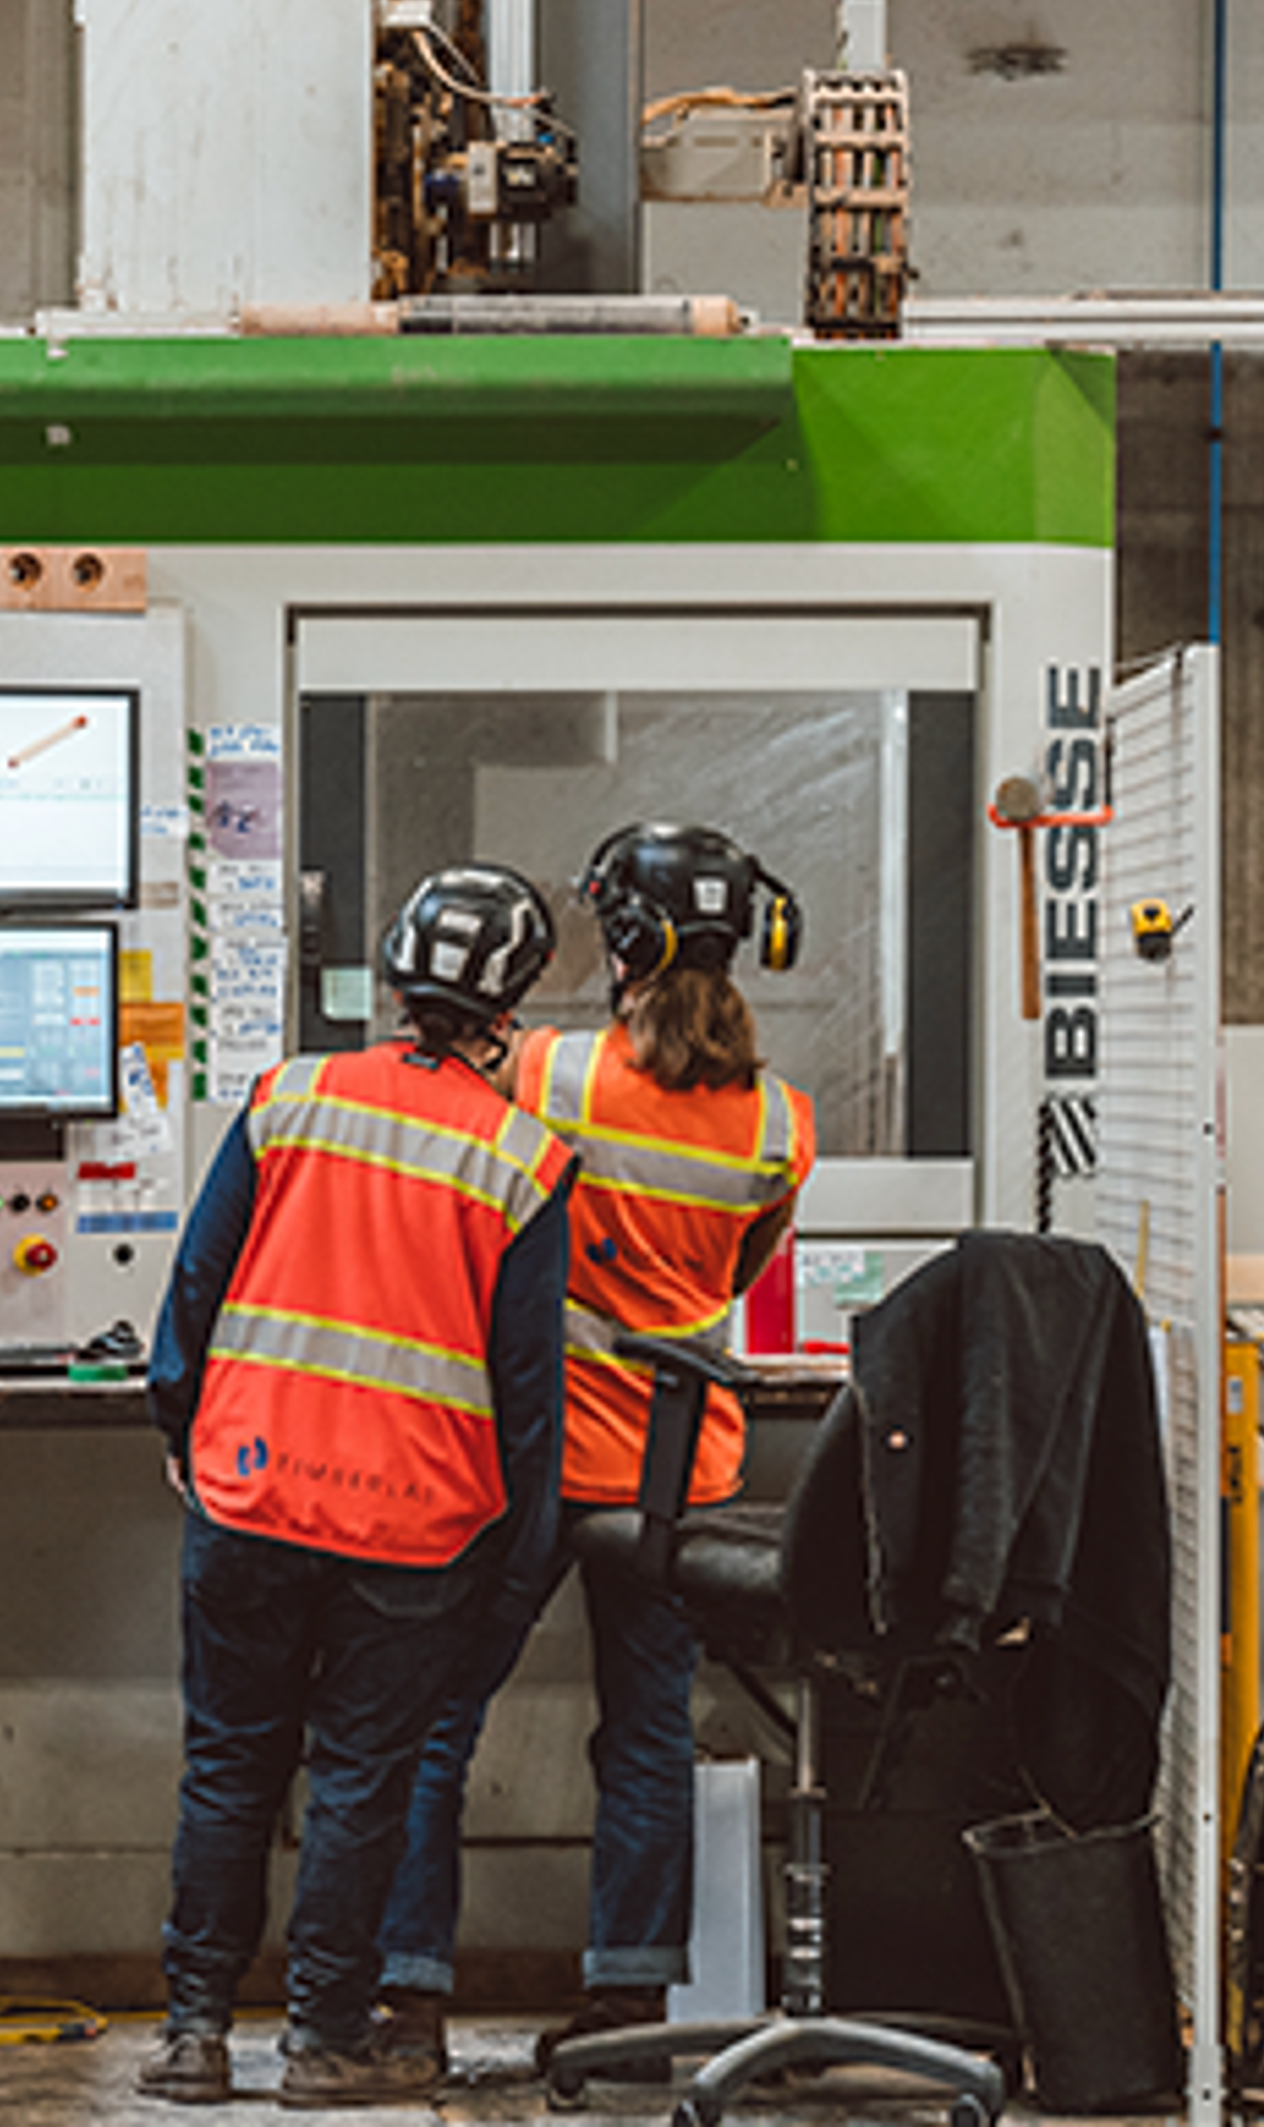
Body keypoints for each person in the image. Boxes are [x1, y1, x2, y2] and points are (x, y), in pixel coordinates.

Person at [370, 821, 817, 2073]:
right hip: (678, 1484)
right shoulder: (783, 1123)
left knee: (436, 1720)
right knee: (645, 1740)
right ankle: (627, 2015)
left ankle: (406, 2003)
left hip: (528, 1463)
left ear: (619, 942)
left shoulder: (549, 1074)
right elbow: (735, 1272)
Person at [138, 865, 579, 2110]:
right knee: (360, 1782)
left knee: (228, 1767)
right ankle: (325, 2044)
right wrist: (520, 1559)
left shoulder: (290, 1099)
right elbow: (527, 1396)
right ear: (514, 1005)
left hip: (250, 1492)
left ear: (392, 976)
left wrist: (186, 1423)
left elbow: (197, 1286)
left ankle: (192, 2035)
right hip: (418, 1531)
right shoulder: (525, 1159)